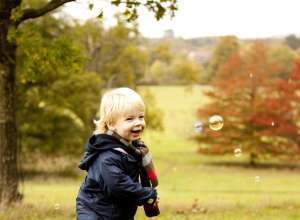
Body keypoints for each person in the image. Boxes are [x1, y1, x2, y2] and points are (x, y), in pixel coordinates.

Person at [76, 87, 158, 220]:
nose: (138, 122)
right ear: (111, 124)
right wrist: (147, 194)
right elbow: (119, 186)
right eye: (130, 119)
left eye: (141, 117)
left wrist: (143, 196)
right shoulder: (107, 154)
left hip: (117, 212)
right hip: (96, 213)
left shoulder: (133, 149)